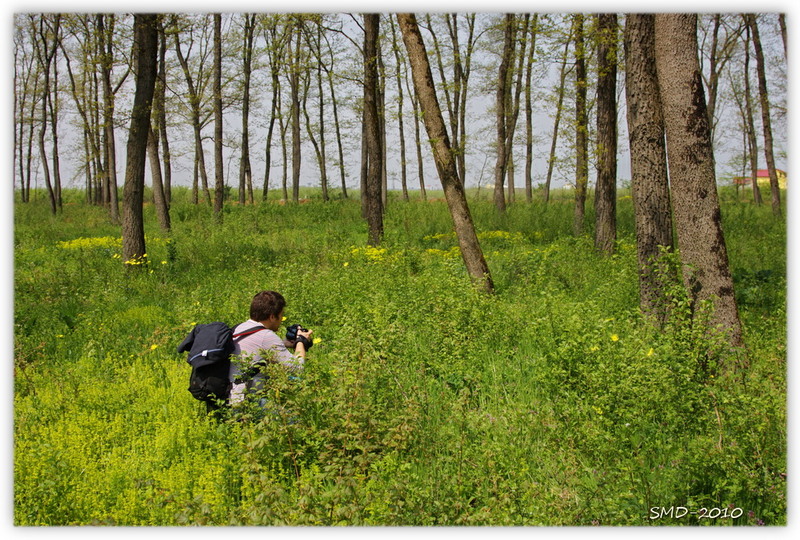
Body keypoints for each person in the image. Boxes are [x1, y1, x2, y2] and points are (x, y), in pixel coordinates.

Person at [228, 290, 312, 406]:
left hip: (230, 394)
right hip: (247, 402)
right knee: (297, 418)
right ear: (272, 317)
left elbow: (257, 348)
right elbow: (297, 368)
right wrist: (301, 341)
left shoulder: (239, 328)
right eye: (281, 315)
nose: (281, 320)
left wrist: (284, 344)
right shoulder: (266, 336)